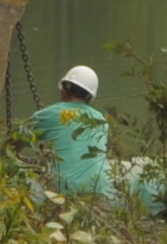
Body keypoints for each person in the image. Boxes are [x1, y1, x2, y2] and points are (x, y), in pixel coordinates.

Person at [30, 63, 110, 198]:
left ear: (64, 91)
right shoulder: (101, 120)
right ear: (90, 98)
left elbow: (12, 146)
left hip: (67, 192)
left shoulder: (47, 114)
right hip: (100, 190)